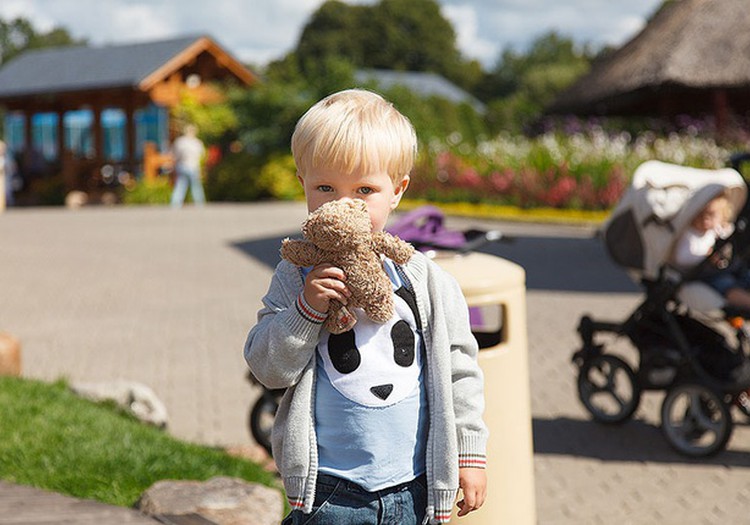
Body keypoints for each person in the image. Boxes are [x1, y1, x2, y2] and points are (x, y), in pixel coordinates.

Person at [244, 89, 488, 524]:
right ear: (302, 183)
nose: (343, 204)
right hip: (331, 491)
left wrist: (469, 455)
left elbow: (460, 369)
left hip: (416, 487)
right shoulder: (294, 274)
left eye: (365, 190)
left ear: (397, 190)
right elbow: (268, 368)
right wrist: (305, 310)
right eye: (325, 187)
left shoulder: (425, 281)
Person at [672, 193, 750, 310]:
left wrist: (726, 228)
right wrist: (704, 256)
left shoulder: (714, 230)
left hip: (729, 267)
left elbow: (727, 232)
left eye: (711, 215)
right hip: (707, 275)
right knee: (727, 286)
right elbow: (680, 257)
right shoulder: (690, 235)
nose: (705, 219)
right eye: (701, 214)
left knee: (746, 273)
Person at [169, 124, 206, 208]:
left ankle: (175, 204)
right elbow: (202, 155)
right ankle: (199, 204)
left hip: (182, 165)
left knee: (180, 185)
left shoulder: (180, 142)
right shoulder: (197, 142)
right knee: (196, 186)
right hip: (194, 166)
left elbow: (174, 155)